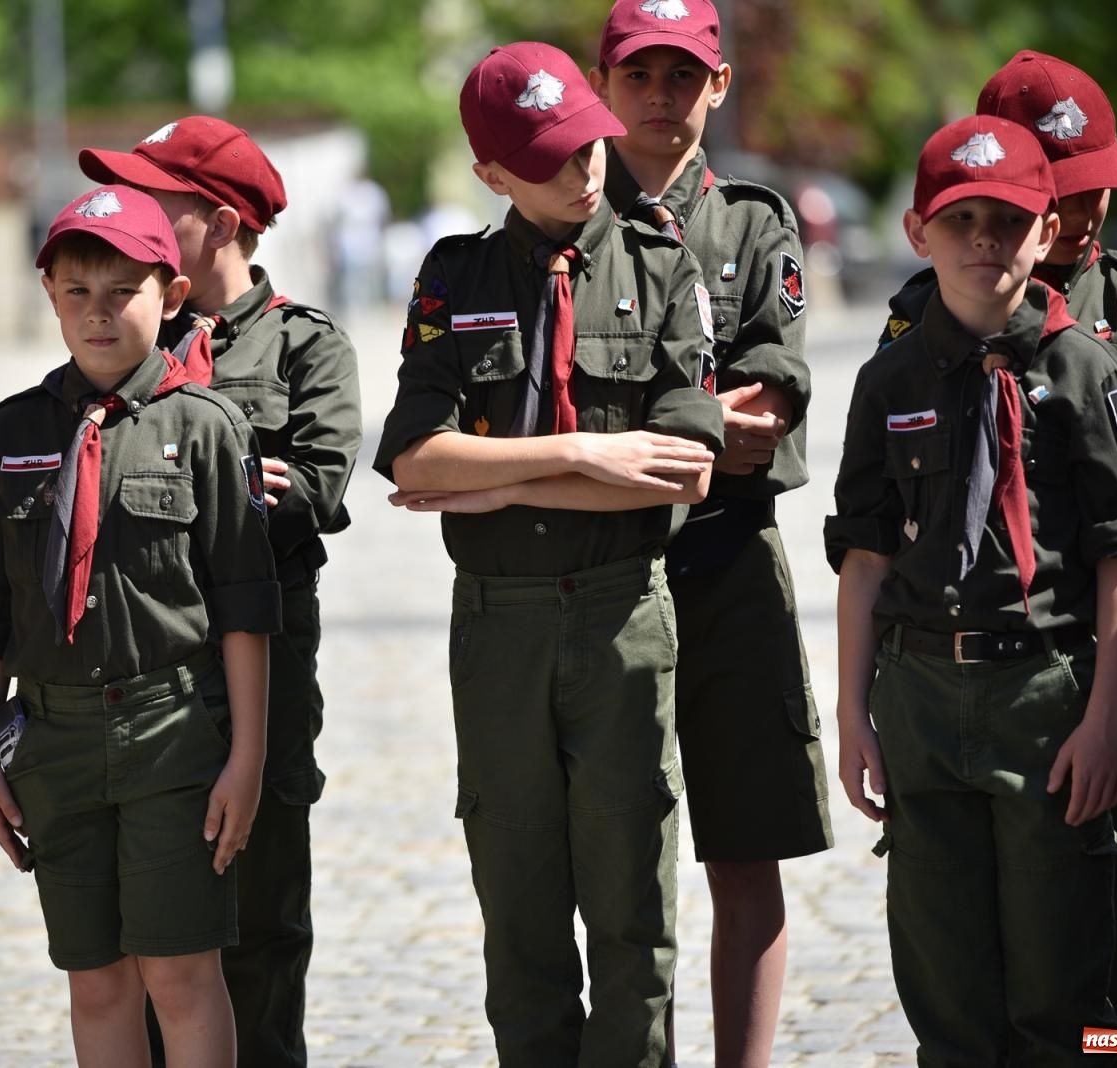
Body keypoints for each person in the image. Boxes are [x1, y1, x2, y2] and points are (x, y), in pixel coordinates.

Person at [375, 41, 731, 1066]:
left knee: (630, 899)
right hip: (499, 621)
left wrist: (490, 473)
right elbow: (412, 454)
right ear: (491, 174)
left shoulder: (661, 264)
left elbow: (684, 470)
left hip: (622, 610)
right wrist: (578, 452)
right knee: (519, 901)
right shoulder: (455, 276)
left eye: (587, 146)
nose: (582, 171)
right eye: (549, 159)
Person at [877, 53, 1117, 1058]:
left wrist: (1048, 461)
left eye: (1097, 178)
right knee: (980, 927)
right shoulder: (924, 310)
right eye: (1062, 185)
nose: (1086, 205)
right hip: (968, 667)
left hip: (1112, 645)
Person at [0, 184, 279, 1067]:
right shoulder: (11, 430)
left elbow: (248, 610)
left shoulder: (207, 427)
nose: (98, 314)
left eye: (122, 292)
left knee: (180, 974)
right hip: (53, 739)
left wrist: (245, 756)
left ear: (170, 297)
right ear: (52, 296)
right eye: (76, 293)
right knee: (96, 981)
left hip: (172, 731)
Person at [80, 116, 362, 1068]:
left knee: (263, 922)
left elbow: (314, 489)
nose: (127, 219)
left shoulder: (301, 347)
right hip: (140, 669)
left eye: (153, 203)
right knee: (148, 929)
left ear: (218, 220)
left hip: (264, 658)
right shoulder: (122, 344)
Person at [588, 3, 831, 1060]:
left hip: (729, 560)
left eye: (681, 75)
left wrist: (628, 435)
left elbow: (769, 407)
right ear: (603, 79)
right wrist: (690, 426)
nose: (658, 95)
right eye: (638, 71)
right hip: (598, 566)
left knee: (746, 847)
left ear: (718, 85)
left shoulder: (751, 224)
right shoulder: (567, 226)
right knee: (610, 856)